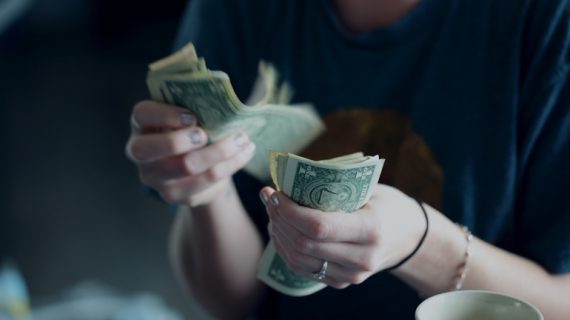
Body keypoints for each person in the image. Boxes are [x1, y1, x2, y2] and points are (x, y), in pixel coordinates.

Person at [125, 0, 570, 318]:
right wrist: (207, 192)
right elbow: (236, 303)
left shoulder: (549, 21)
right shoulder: (237, 9)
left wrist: (423, 244)